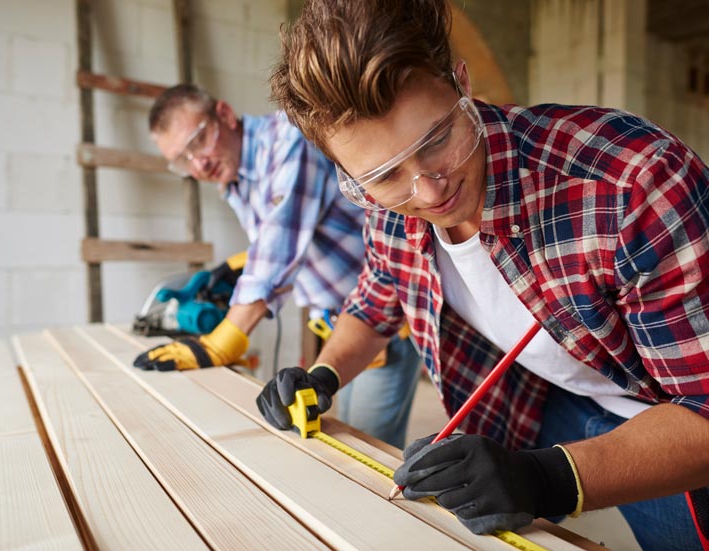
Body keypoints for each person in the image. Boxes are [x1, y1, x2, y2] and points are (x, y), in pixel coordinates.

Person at [254, 1, 709, 549]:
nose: (428, 191)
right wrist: (322, 377)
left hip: (670, 422)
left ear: (462, 85)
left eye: (436, 141)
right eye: (384, 175)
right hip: (544, 401)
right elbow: (376, 305)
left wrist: (547, 480)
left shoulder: (633, 182)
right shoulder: (388, 210)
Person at [133, 83, 421, 449]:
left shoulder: (289, 138)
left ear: (223, 114)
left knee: (368, 447)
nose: (198, 163)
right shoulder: (236, 180)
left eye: (198, 141)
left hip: (382, 321)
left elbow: (279, 244)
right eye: (182, 160)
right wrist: (237, 267)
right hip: (338, 325)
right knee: (341, 432)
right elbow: (274, 241)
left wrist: (221, 342)